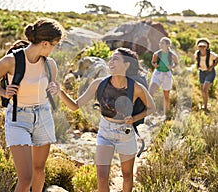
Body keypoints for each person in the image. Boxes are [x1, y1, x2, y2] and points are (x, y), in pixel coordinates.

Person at [0, 17, 65, 192]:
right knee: (26, 177)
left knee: (38, 170)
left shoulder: (50, 64)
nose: (55, 48)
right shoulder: (10, 61)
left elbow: (51, 85)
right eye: (55, 44)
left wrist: (54, 87)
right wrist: (4, 92)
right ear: (44, 43)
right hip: (18, 118)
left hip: (43, 115)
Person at [59, 47, 155, 192]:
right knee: (102, 177)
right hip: (105, 132)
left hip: (126, 133)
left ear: (127, 64)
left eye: (115, 59)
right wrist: (59, 91)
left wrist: (134, 118)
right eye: (110, 59)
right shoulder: (99, 84)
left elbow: (151, 107)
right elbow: (75, 106)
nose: (110, 62)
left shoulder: (136, 87)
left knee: (127, 175)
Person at [148, 37, 178, 120]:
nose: (160, 45)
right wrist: (154, 65)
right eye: (160, 43)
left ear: (168, 45)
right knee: (150, 93)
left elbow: (176, 63)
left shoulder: (172, 55)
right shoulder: (156, 54)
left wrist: (172, 66)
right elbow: (153, 62)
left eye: (162, 43)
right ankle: (149, 113)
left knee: (166, 96)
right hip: (157, 74)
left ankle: (165, 115)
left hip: (167, 75)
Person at [194, 38, 218, 112]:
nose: (202, 48)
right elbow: (197, 60)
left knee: (205, 90)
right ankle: (204, 104)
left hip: (210, 73)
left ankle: (205, 107)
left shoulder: (211, 54)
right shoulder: (197, 54)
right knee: (203, 90)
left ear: (207, 47)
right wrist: (198, 65)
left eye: (204, 46)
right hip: (201, 72)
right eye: (200, 46)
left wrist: (211, 67)